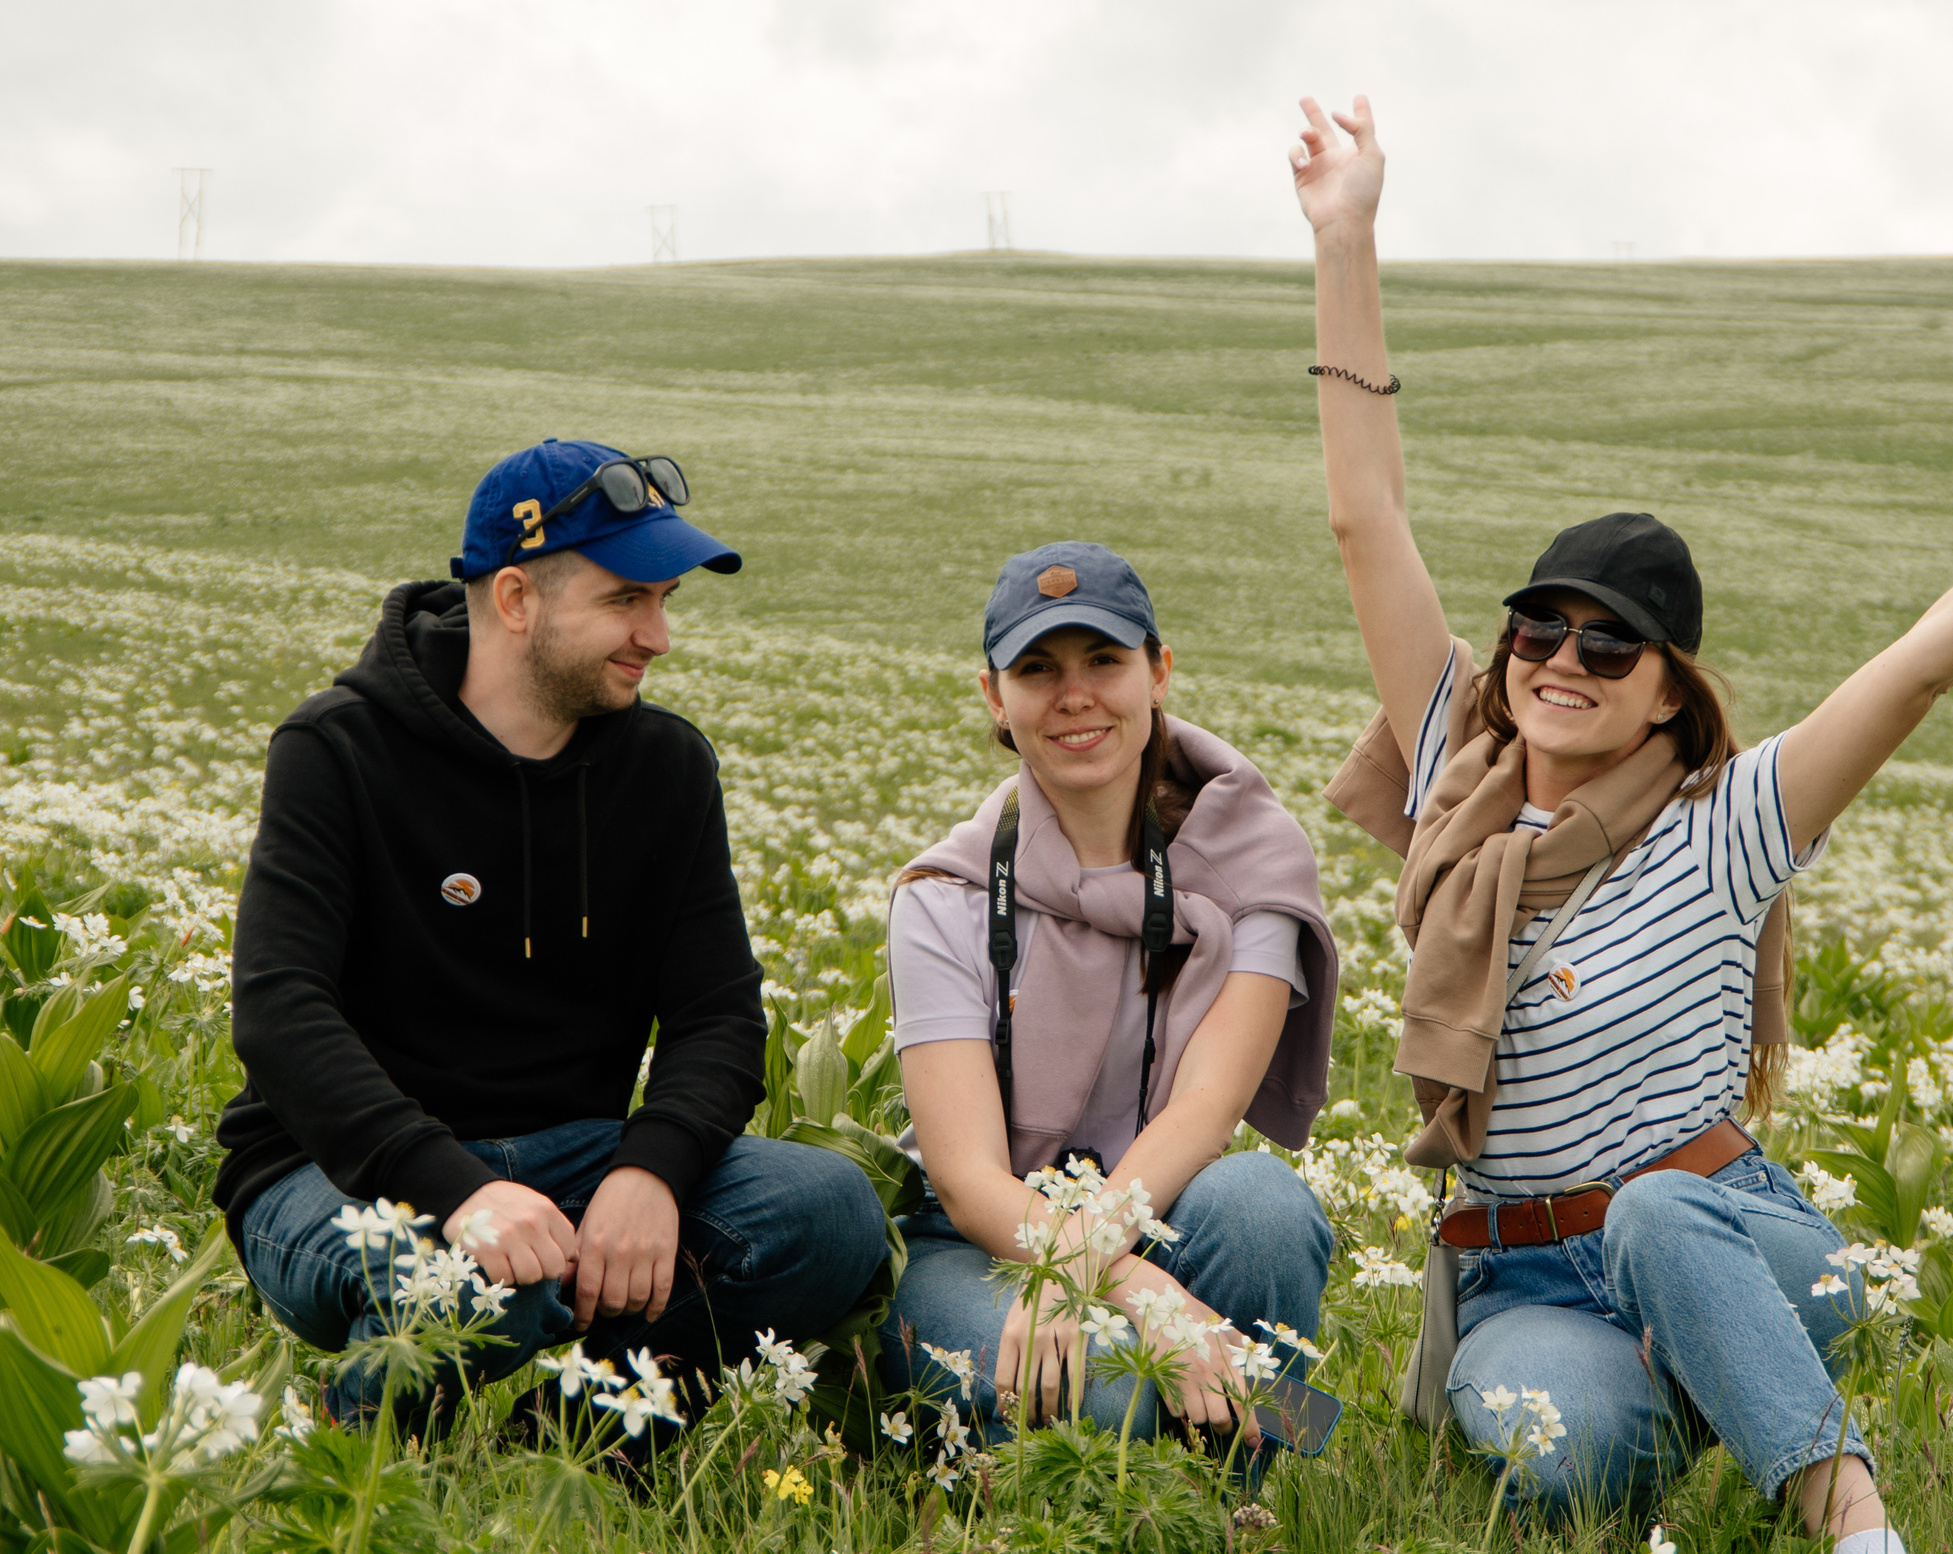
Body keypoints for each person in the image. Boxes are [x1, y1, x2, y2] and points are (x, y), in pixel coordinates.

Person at [1289, 97, 1953, 1554]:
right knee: (1567, 1462)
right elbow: (1363, 514)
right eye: (1544, 625)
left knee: (1661, 1221)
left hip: (1733, 1224)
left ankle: (1861, 1541)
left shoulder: (1729, 825)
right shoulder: (1450, 779)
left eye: (1614, 642)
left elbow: (1930, 658)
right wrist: (1348, 238)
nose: (1564, 658)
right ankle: (1701, 1394)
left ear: (1672, 689)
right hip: (1528, 1275)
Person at [216, 438, 889, 1450]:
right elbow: (280, 1012)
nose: (657, 636)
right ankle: (356, 1465)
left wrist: (649, 1174)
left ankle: (566, 1451)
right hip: (336, 1176)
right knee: (481, 1280)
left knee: (832, 1211)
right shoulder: (337, 748)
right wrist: (459, 1190)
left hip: (576, 1155)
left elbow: (718, 1017)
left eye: (665, 601)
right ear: (519, 598)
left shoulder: (665, 768)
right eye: (628, 600)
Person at [881, 542, 1340, 1451]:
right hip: (983, 1246)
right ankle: (1227, 1434)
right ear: (993, 698)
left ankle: (1240, 1515)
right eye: (1037, 669)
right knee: (1108, 1404)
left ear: (1159, 672)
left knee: (1264, 1205)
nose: (1074, 694)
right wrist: (1129, 1287)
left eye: (1104, 660)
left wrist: (1093, 1265)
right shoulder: (945, 894)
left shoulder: (1254, 864)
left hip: (1166, 1204)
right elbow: (969, 1180)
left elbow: (1209, 1110)